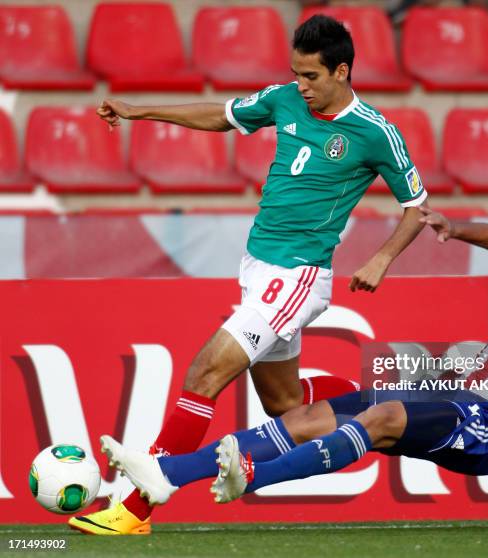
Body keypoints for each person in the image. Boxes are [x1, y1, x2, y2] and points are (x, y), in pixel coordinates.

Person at [69, 15, 427, 535]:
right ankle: (382, 405)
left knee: (203, 376)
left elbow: (416, 206)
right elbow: (221, 116)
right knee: (285, 406)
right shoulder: (285, 99)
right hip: (258, 268)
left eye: (310, 76)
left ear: (342, 71)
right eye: (296, 74)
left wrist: (380, 258)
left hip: (299, 276)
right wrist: (137, 109)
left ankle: (137, 505)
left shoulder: (376, 133)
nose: (300, 86)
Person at [97, 207, 488, 535]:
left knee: (384, 412)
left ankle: (250, 476)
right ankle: (166, 474)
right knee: (311, 416)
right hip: (451, 397)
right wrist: (456, 230)